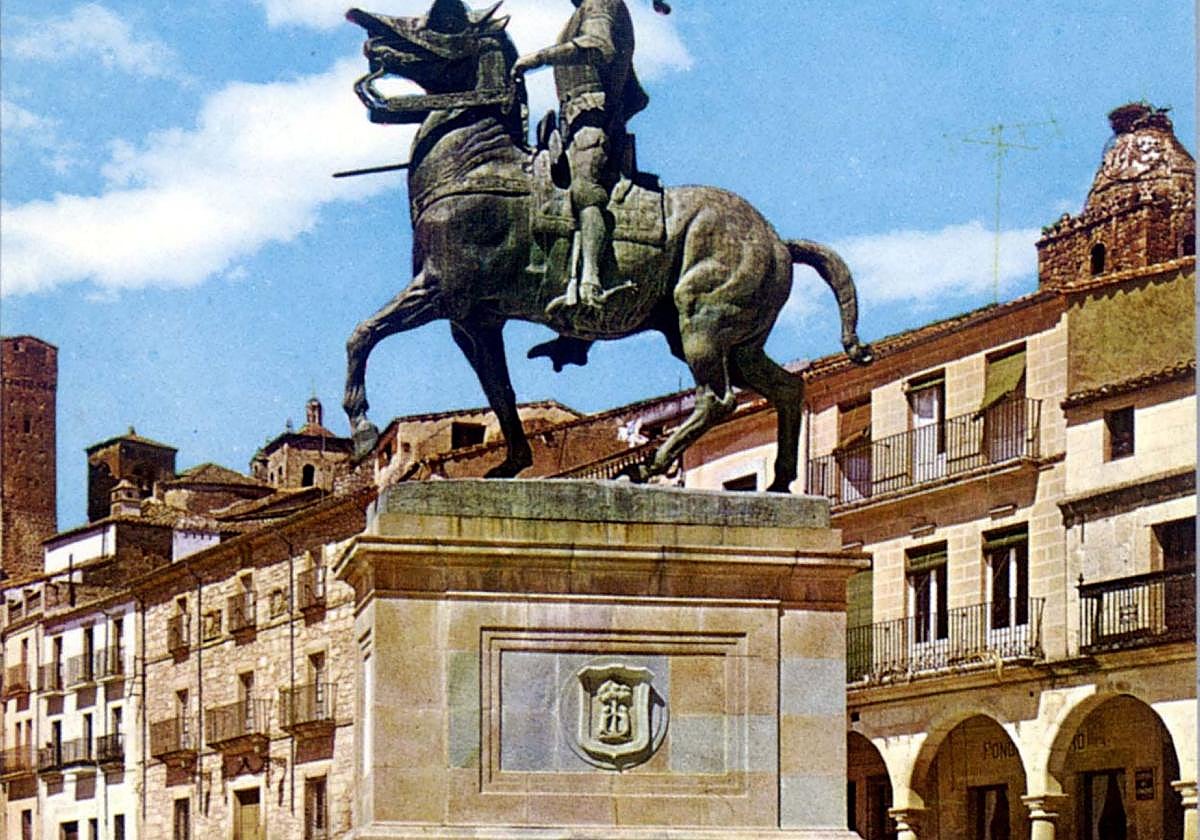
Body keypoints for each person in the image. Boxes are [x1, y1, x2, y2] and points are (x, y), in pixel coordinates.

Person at [512, 0, 656, 314]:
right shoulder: (585, 12)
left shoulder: (602, 3)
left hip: (591, 114)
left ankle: (592, 282)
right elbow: (637, 96)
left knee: (585, 192)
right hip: (574, 116)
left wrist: (538, 58)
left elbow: (598, 45)